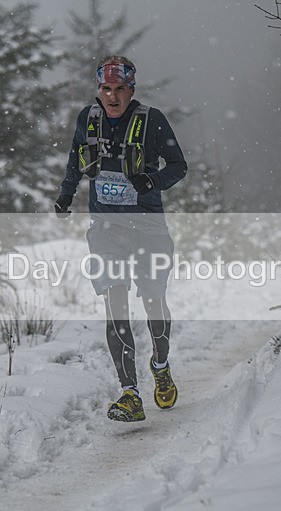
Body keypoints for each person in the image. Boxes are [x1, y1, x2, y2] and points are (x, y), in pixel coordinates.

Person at [54, 56, 187, 422]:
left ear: (132, 90)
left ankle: (160, 365)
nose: (112, 97)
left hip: (147, 228)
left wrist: (152, 181)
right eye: (106, 89)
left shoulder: (152, 121)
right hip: (106, 230)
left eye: (120, 90)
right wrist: (67, 193)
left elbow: (179, 166)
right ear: (99, 90)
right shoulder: (89, 119)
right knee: (115, 305)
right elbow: (74, 159)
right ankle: (129, 393)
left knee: (153, 302)